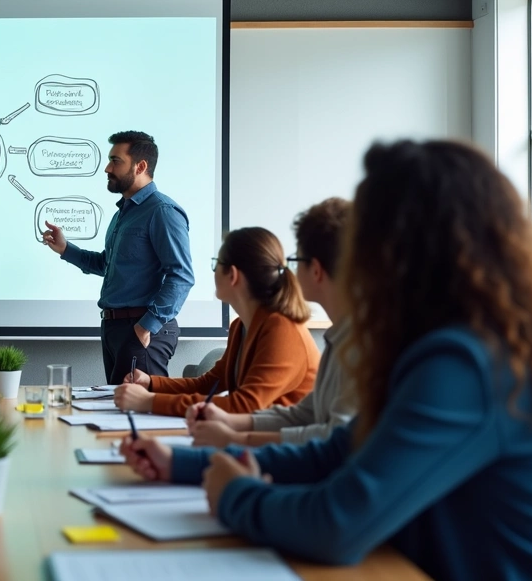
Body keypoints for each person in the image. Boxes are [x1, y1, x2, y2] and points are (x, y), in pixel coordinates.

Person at [121, 140, 532, 580]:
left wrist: (237, 495)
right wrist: (180, 464)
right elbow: (339, 452)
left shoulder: (465, 364)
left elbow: (337, 525)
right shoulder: (444, 346)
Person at [188, 198, 356, 447]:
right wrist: (231, 423)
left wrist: (237, 437)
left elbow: (334, 441)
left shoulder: (357, 342)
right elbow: (303, 415)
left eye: (296, 261)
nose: (289, 272)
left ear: (317, 270)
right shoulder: (339, 336)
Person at [41, 130, 195, 384]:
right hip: (115, 329)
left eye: (115, 161)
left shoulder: (162, 211)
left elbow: (182, 275)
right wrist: (65, 249)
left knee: (142, 417)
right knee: (117, 411)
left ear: (140, 166)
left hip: (142, 328)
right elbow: (107, 264)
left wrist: (147, 326)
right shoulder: (123, 213)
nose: (107, 168)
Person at [114, 227, 318, 417]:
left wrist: (150, 402)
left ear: (233, 274)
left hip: (284, 448)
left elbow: (244, 406)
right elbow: (210, 384)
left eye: (216, 263)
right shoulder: (241, 326)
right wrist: (151, 383)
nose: (213, 271)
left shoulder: (282, 330)